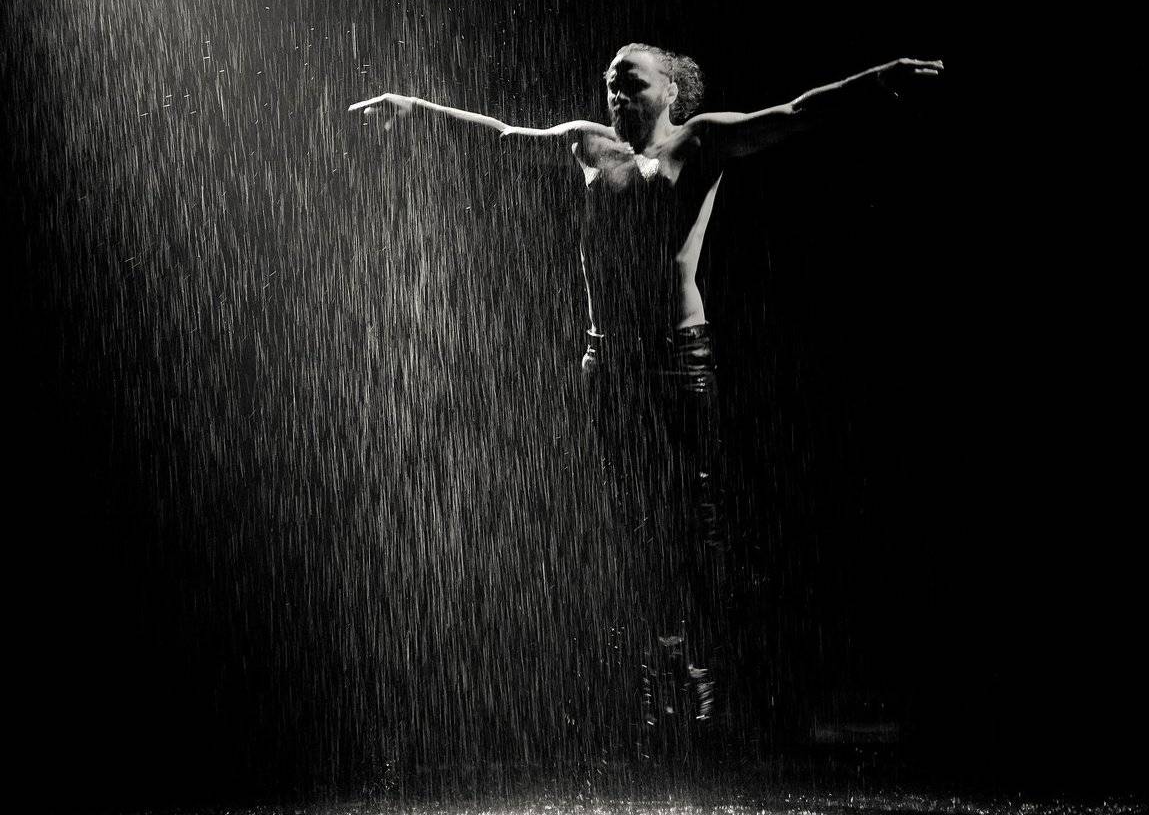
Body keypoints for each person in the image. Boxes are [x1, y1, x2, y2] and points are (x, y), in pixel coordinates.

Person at [349, 46, 942, 762]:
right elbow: (500, 136)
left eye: (630, 82)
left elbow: (794, 112)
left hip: (679, 357)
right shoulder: (587, 144)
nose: (616, 93)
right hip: (611, 365)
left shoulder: (701, 141)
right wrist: (416, 109)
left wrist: (877, 81)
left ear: (670, 90)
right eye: (610, 84)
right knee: (629, 521)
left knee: (698, 515)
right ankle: (652, 663)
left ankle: (709, 662)